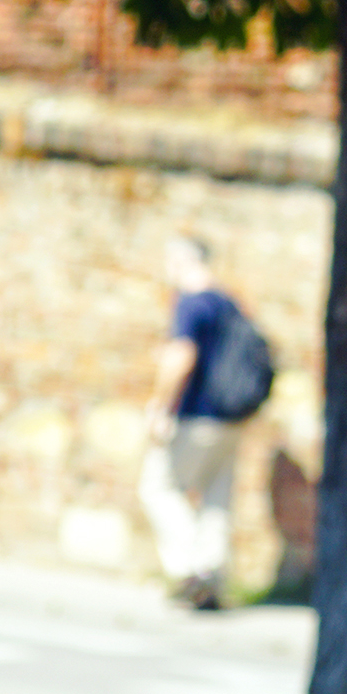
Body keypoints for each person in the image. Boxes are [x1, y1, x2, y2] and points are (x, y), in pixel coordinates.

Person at [139, 236, 246, 611]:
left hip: (197, 413)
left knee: (157, 487)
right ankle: (213, 575)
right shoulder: (227, 302)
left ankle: (192, 570)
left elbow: (181, 356)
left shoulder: (191, 302)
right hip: (232, 417)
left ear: (182, 260)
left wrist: (159, 405)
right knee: (216, 497)